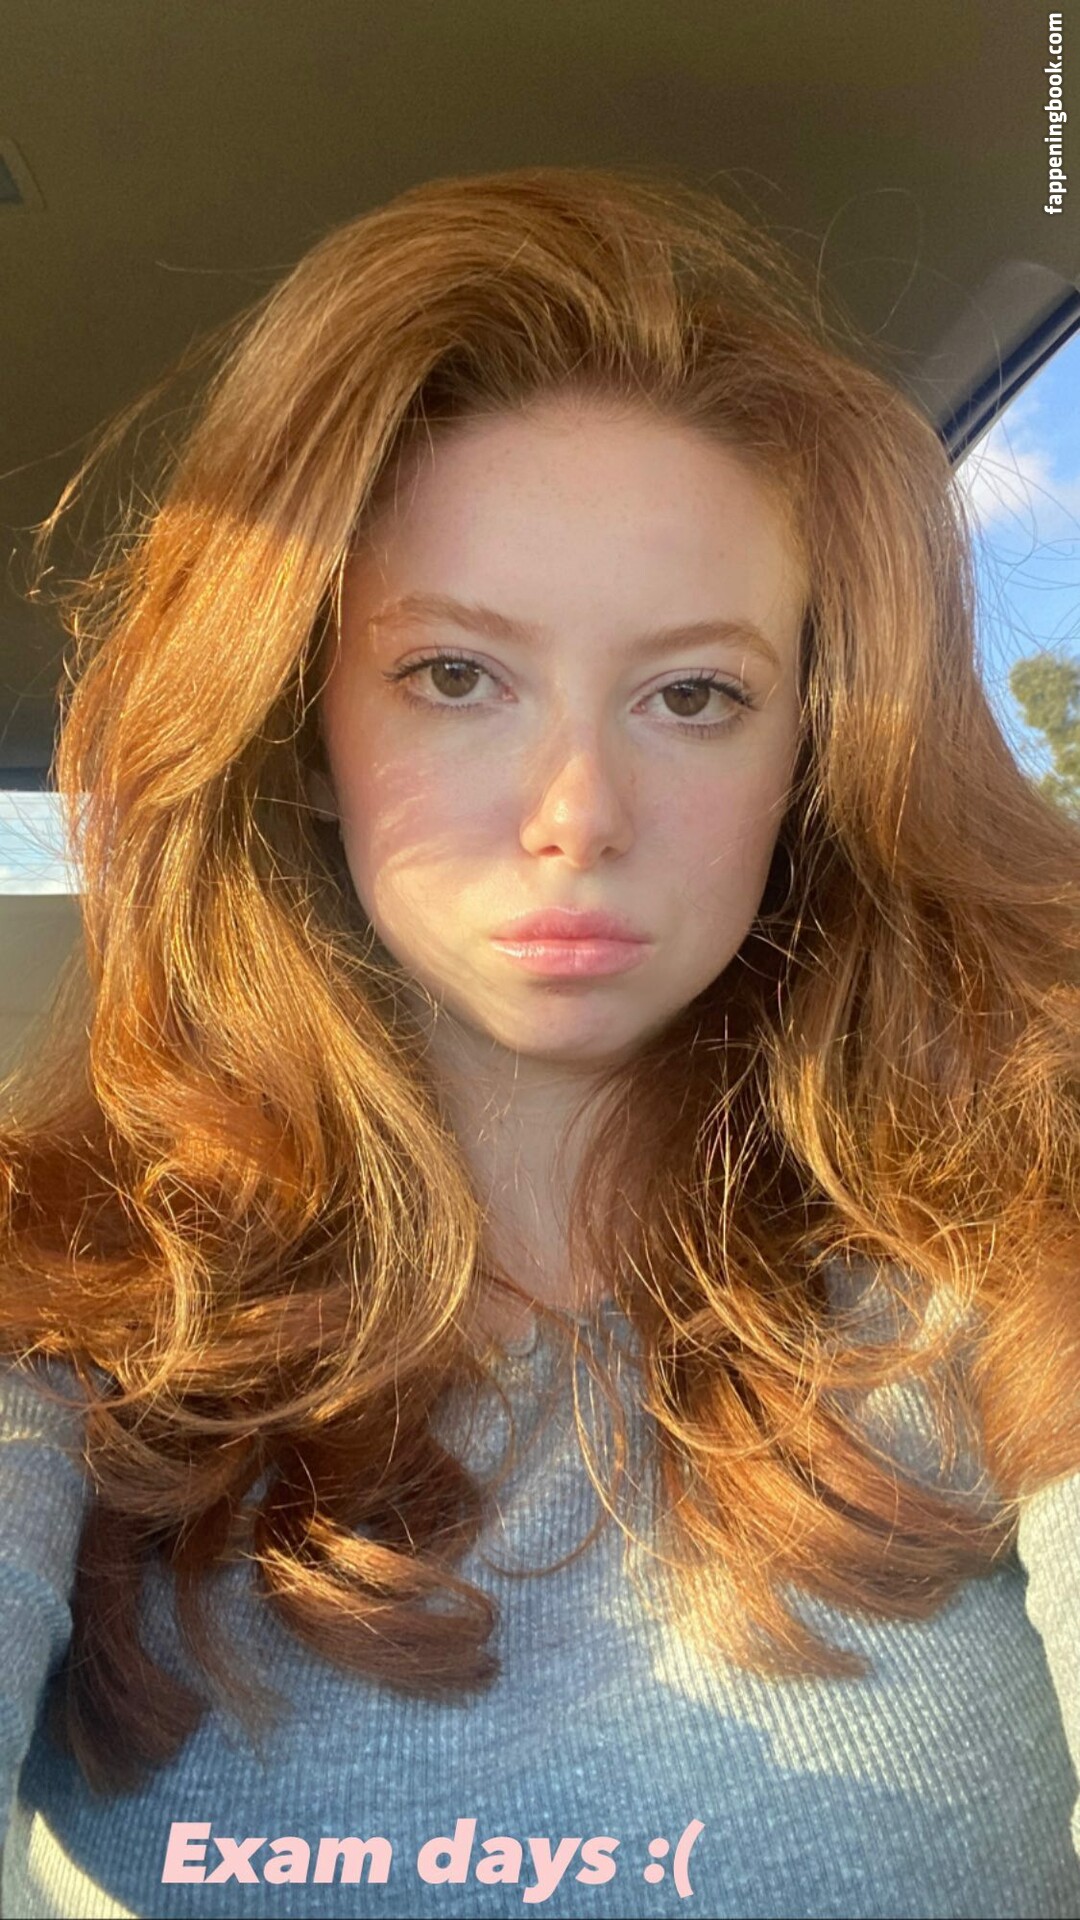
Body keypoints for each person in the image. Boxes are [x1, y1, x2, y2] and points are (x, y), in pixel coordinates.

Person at [0, 163, 1078, 1920]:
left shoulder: (1008, 1249)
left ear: (809, 764)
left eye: (695, 695)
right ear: (302, 727)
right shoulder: (68, 1308)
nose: (580, 812)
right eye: (455, 676)